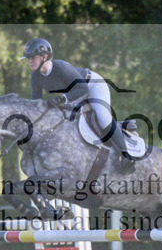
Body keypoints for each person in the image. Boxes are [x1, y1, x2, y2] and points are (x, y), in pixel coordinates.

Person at [21, 38, 135, 171]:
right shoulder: (35, 77)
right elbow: (36, 103)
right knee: (65, 119)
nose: (29, 61)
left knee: (102, 117)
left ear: (45, 57)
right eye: (28, 58)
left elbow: (83, 89)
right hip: (75, 93)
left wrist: (62, 99)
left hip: (92, 85)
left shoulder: (61, 67)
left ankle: (126, 154)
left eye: (32, 57)